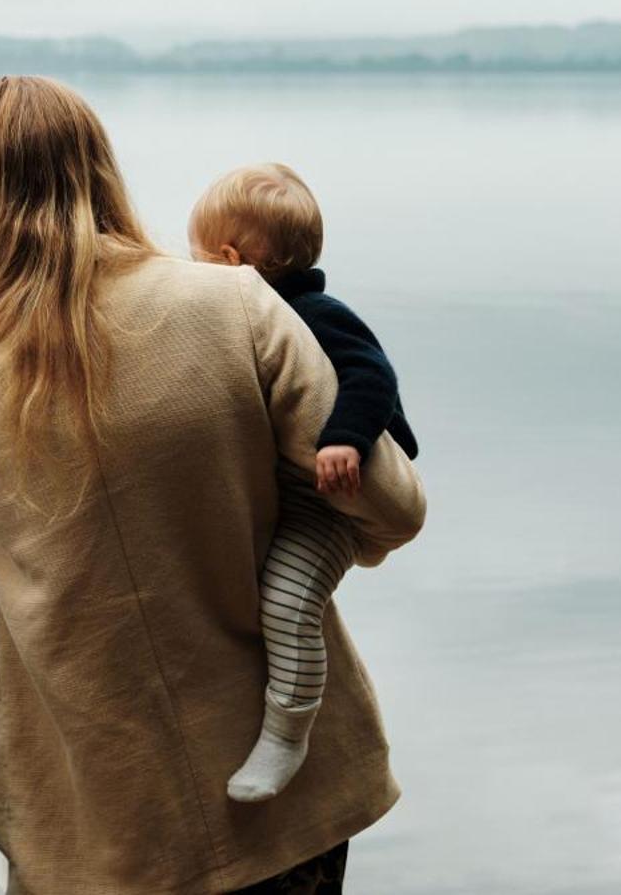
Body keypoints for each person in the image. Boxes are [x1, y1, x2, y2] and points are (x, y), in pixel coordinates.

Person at [0, 77, 426, 895]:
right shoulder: (235, 302)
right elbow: (395, 504)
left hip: (95, 814)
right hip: (281, 801)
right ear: (101, 172)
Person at [189, 162, 422, 803]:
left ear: (232, 261)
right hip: (288, 489)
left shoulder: (316, 313)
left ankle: (288, 732)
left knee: (289, 600)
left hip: (331, 500)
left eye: (196, 259)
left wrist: (344, 437)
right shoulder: (245, 317)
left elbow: (373, 375)